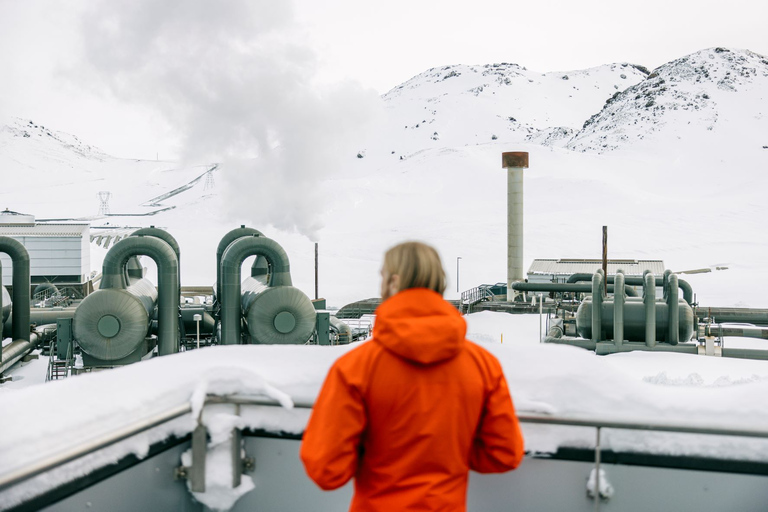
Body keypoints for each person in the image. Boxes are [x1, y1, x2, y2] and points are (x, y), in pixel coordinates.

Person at [300, 241, 524, 511]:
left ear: (394, 282)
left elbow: (326, 469)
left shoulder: (355, 367)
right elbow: (504, 454)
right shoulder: (483, 364)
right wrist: (450, 455)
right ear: (439, 282)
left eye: (382, 276)